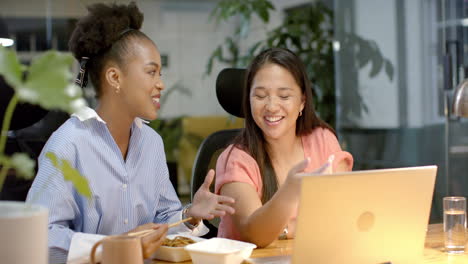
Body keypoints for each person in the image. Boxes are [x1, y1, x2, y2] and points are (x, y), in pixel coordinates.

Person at [26, 2, 235, 263]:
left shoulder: (151, 143)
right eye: (151, 72)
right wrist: (116, 246)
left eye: (160, 73)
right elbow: (40, 237)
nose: (161, 84)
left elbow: (161, 222)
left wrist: (190, 214)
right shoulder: (69, 143)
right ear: (115, 77)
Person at [215, 47, 353, 247]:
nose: (271, 106)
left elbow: (343, 215)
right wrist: (289, 192)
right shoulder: (235, 160)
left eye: (284, 96)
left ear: (302, 102)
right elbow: (254, 234)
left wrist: (288, 228)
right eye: (260, 96)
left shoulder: (323, 140)